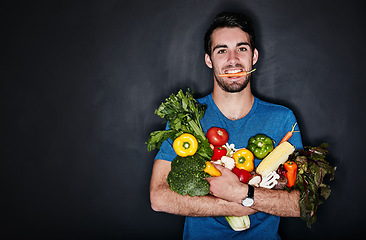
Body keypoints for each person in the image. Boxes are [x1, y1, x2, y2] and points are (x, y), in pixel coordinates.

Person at [150, 11, 303, 239]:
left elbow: (301, 204)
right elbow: (158, 197)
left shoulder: (283, 119)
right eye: (222, 50)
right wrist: (237, 203)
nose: (233, 60)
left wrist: (241, 191)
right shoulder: (187, 117)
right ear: (209, 60)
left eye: (241, 49)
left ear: (254, 57)